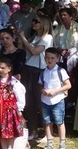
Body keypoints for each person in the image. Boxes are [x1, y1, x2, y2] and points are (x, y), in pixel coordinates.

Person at [18, 13, 54, 141]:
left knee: (41, 102)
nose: (34, 23)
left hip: (39, 71)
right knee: (29, 101)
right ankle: (33, 130)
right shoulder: (34, 37)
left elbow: (34, 51)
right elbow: (24, 49)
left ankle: (47, 131)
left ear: (43, 24)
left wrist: (23, 38)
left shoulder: (47, 37)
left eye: (36, 21)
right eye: (33, 21)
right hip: (28, 70)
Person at [39, 48, 71, 149]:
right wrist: (43, 91)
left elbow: (68, 85)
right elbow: (41, 85)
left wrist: (56, 91)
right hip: (45, 101)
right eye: (47, 58)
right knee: (47, 122)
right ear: (44, 59)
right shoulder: (43, 72)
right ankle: (50, 143)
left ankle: (62, 143)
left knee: (59, 122)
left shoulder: (61, 71)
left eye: (52, 58)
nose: (50, 60)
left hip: (57, 100)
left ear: (57, 59)